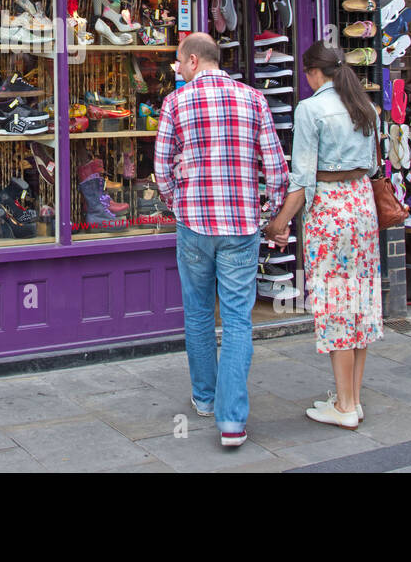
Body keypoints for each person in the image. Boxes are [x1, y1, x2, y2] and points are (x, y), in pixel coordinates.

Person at [154, 32, 288, 448]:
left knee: (197, 313)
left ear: (193, 60)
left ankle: (205, 398)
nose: (177, 69)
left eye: (179, 62)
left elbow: (161, 168)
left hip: (194, 224)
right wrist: (265, 214)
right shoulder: (253, 99)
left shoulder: (176, 102)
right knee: (236, 319)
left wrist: (177, 203)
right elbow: (278, 171)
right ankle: (232, 422)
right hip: (240, 227)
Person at [264, 42, 382, 430]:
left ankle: (345, 406)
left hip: (330, 212)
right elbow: (375, 165)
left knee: (336, 305)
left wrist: (279, 223)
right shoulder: (364, 107)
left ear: (313, 72)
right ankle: (353, 397)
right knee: (359, 303)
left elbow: (301, 179)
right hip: (362, 208)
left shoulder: (311, 109)